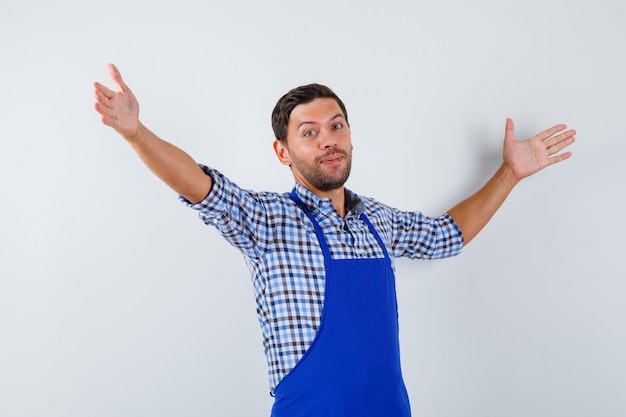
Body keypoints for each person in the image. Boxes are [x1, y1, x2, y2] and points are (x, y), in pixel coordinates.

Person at [93, 63, 575, 417]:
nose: (329, 140)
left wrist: (510, 174)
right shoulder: (267, 220)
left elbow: (446, 235)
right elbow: (198, 184)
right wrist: (138, 134)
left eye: (336, 126)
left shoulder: (378, 222)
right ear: (282, 152)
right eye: (309, 132)